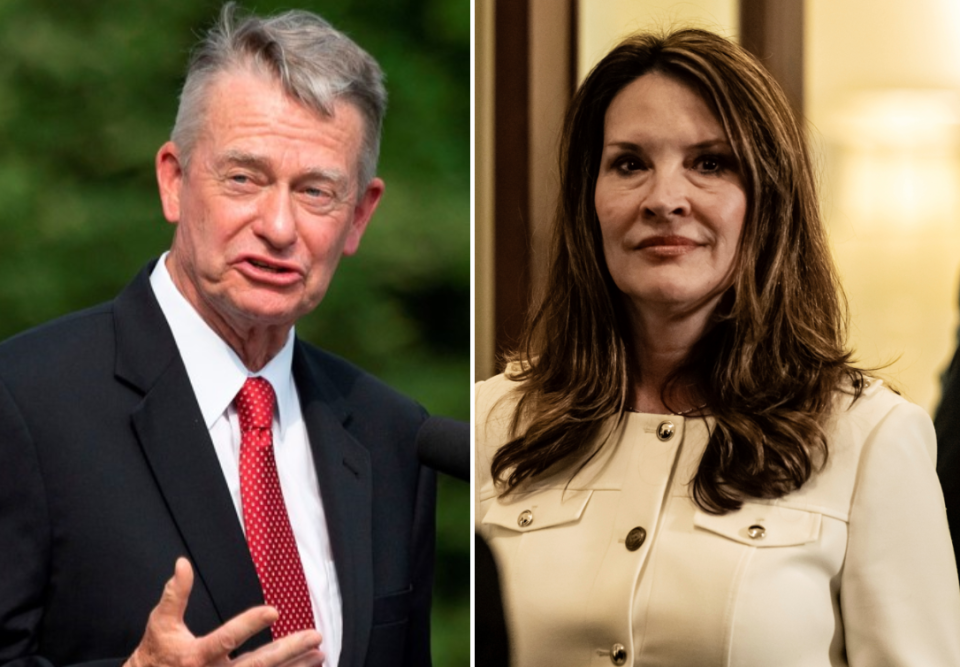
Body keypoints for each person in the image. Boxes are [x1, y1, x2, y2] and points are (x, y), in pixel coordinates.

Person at [475, 28, 960, 666]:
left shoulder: (872, 438)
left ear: (769, 201)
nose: (665, 200)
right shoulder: (492, 422)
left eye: (710, 163)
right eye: (629, 163)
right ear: (586, 200)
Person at [0, 5, 436, 667]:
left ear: (358, 216)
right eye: (244, 178)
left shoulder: (390, 434)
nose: (279, 226)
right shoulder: (24, 402)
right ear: (173, 180)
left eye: (317, 191)